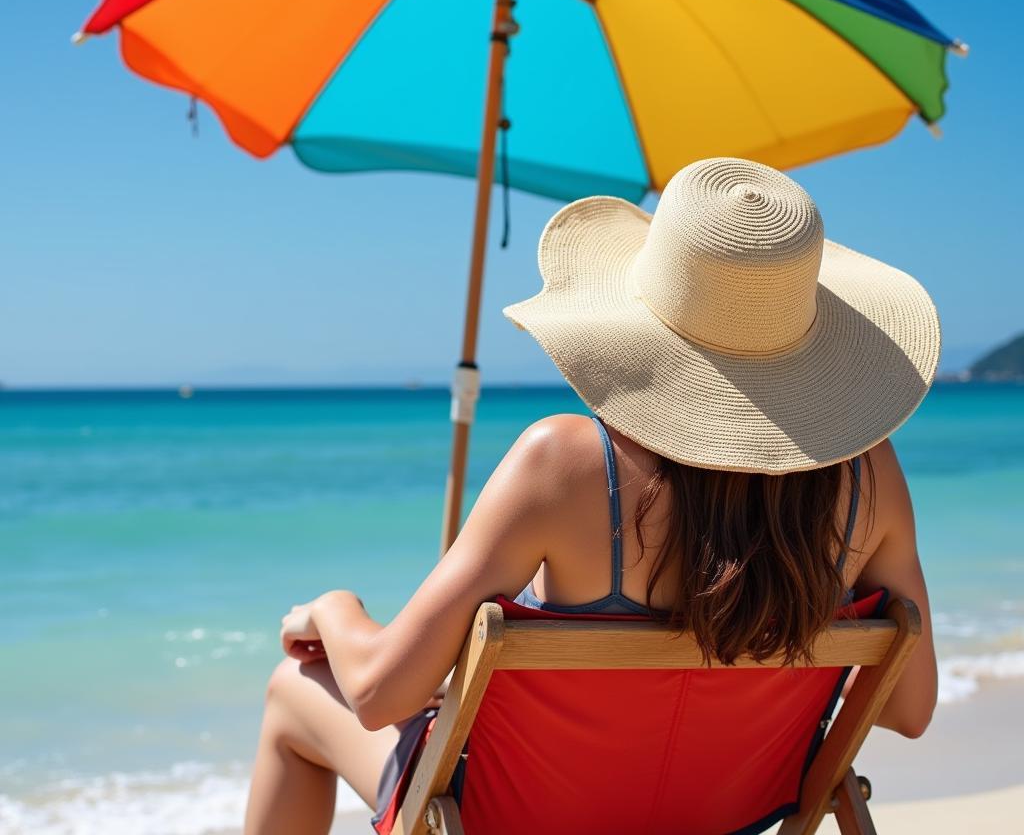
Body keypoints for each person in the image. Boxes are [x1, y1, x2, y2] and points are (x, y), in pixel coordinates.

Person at [244, 157, 939, 835]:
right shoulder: (868, 479)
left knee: (293, 692)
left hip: (512, 819)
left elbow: (376, 695)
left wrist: (334, 611)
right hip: (727, 816)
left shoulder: (567, 464)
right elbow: (910, 707)